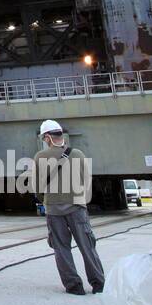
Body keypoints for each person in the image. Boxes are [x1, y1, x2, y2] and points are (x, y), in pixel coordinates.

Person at [32, 119, 105, 295]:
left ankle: (74, 286)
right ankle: (98, 284)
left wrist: (47, 199)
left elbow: (36, 188)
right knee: (87, 246)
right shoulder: (78, 154)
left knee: (61, 248)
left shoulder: (40, 157)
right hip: (77, 207)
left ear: (48, 137)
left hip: (54, 209)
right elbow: (87, 181)